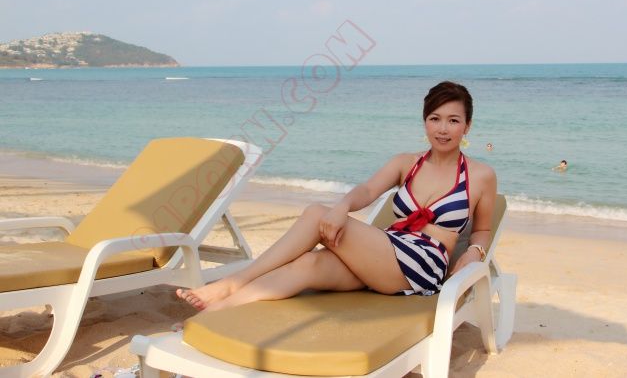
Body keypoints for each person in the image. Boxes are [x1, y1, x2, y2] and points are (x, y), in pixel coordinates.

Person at [177, 81, 497, 312]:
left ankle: (233, 281)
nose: (443, 129)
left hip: (422, 266)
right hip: (385, 255)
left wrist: (475, 252)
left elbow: (482, 229)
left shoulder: (481, 175)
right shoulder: (406, 163)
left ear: (467, 126)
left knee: (317, 213)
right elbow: (367, 191)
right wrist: (343, 206)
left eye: (453, 120)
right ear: (425, 122)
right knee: (308, 264)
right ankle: (217, 311)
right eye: (435, 118)